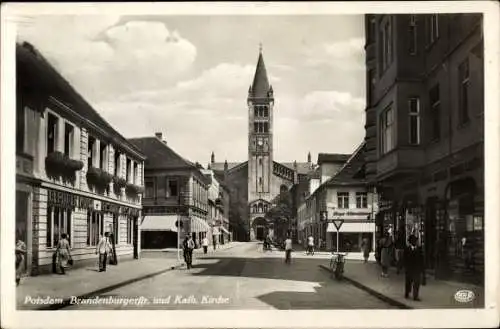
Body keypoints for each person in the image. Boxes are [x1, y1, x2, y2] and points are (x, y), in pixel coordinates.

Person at [404, 235, 424, 301]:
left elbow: (421, 259)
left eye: (415, 241)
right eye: (413, 241)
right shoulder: (407, 249)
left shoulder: (419, 249)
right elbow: (404, 259)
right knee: (408, 282)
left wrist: (422, 269)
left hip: (416, 269)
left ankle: (415, 296)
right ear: (410, 242)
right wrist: (402, 267)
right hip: (409, 269)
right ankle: (407, 293)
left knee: (416, 282)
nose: (414, 242)